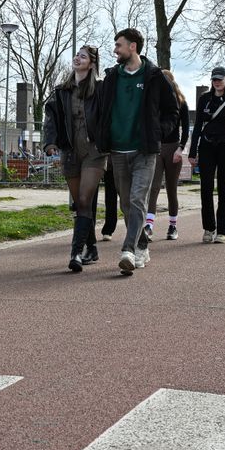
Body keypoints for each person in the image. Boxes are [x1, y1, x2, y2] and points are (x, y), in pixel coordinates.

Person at [91, 28, 178, 276]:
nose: (115, 49)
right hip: (118, 151)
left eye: (119, 45)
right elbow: (100, 112)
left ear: (133, 47)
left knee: (138, 200)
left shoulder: (154, 76)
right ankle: (141, 245)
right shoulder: (111, 78)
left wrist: (157, 132)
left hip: (145, 151)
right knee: (126, 204)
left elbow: (172, 111)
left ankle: (128, 249)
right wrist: (101, 136)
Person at [43, 45, 106, 272]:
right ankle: (92, 247)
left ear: (92, 63)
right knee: (81, 203)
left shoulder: (100, 89)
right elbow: (50, 119)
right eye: (76, 55)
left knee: (84, 197)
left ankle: (76, 253)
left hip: (95, 152)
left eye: (83, 56)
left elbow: (108, 115)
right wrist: (50, 143)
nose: (77, 58)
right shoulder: (61, 91)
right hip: (70, 152)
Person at [188, 67, 225, 242]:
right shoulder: (204, 99)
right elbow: (198, 125)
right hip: (207, 145)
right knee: (206, 188)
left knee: (223, 189)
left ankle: (222, 231)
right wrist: (193, 152)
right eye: (214, 79)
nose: (217, 82)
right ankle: (208, 228)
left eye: (220, 79)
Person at [145, 69, 191, 240]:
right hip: (156, 148)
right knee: (154, 187)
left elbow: (185, 130)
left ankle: (172, 226)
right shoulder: (154, 103)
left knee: (171, 189)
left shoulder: (181, 103)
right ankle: (149, 225)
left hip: (173, 149)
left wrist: (180, 149)